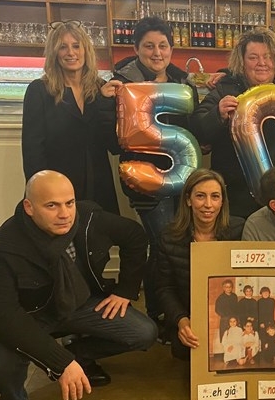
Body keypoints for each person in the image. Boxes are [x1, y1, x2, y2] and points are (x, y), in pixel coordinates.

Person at [0, 170, 155, 400]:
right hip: (31, 316)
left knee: (144, 332)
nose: (65, 214)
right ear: (29, 208)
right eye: (52, 206)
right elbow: (2, 315)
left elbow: (135, 236)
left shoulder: (89, 219)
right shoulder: (3, 246)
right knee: (4, 364)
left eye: (69, 203)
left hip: (79, 304)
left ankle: (78, 354)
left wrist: (125, 291)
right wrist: (60, 363)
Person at [99, 16, 202, 335]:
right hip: (145, 179)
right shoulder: (121, 83)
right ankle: (161, 313)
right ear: (136, 48)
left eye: (163, 45)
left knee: (176, 243)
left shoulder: (183, 83)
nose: (157, 52)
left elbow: (195, 127)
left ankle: (174, 309)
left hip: (182, 177)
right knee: (162, 244)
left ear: (172, 48)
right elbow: (110, 140)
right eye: (149, 46)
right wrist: (105, 104)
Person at [193, 27, 275, 219]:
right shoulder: (224, 89)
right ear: (242, 62)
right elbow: (199, 130)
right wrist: (218, 114)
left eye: (268, 57)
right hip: (236, 192)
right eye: (253, 57)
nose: (262, 63)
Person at [21, 20, 120, 215]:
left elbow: (114, 146)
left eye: (76, 46)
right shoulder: (39, 90)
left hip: (98, 184)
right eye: (63, 47)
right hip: (58, 187)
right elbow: (32, 151)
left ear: (86, 50)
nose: (71, 53)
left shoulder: (100, 88)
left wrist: (107, 105)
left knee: (99, 242)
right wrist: (40, 192)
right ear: (54, 53)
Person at [154, 169, 244, 360]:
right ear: (188, 200)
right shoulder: (169, 237)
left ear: (222, 201)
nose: (208, 205)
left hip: (233, 317)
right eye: (200, 196)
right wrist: (181, 320)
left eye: (215, 197)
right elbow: (164, 287)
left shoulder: (240, 230)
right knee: (183, 351)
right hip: (190, 314)